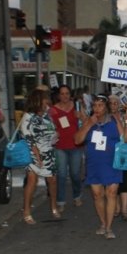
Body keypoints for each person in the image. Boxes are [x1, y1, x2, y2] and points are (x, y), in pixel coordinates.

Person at [74, 94, 127, 239]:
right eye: (95, 106)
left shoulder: (114, 120)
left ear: (106, 108)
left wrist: (126, 123)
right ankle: (103, 223)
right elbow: (77, 140)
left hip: (112, 163)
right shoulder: (88, 121)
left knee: (111, 193)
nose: (97, 108)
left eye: (100, 105)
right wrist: (88, 124)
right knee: (97, 194)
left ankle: (109, 227)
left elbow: (125, 139)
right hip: (94, 164)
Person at [21, 89, 60, 224]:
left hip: (48, 151)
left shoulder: (46, 114)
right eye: (44, 99)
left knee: (52, 180)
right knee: (32, 181)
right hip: (34, 153)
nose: (47, 101)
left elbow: (53, 128)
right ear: (38, 100)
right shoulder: (28, 117)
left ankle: (54, 206)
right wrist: (37, 156)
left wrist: (55, 134)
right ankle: (26, 211)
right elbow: (28, 137)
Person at [48, 84, 84, 212]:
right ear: (58, 95)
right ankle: (61, 201)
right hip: (60, 146)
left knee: (75, 174)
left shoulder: (77, 107)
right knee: (61, 175)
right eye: (62, 93)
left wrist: (81, 116)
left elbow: (87, 123)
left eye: (67, 93)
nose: (64, 96)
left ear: (70, 95)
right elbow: (49, 127)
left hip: (75, 145)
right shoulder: (53, 110)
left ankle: (77, 195)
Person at [108, 94, 127, 221]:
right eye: (110, 103)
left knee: (124, 180)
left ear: (119, 105)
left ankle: (125, 210)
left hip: (124, 153)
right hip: (109, 153)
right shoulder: (104, 118)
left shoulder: (124, 117)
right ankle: (116, 207)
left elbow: (125, 137)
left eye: (115, 103)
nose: (113, 105)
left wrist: (126, 122)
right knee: (112, 182)